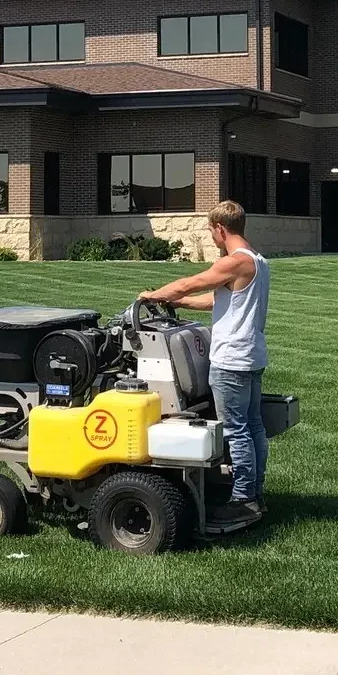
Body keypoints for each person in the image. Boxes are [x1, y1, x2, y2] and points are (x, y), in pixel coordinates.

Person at [139, 199, 269, 529]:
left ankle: (243, 500)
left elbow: (193, 282)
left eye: (211, 231)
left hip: (231, 360)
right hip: (251, 357)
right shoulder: (258, 261)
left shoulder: (235, 262)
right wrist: (177, 301)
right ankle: (255, 495)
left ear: (220, 229)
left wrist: (153, 295)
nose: (211, 237)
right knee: (253, 428)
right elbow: (214, 298)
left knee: (237, 431)